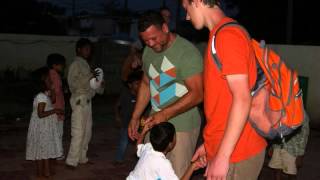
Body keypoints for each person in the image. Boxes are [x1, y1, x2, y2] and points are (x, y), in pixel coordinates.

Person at [181, 0, 267, 179]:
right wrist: (210, 144)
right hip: (226, 146)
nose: (187, 16)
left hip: (237, 152)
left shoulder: (227, 35)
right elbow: (223, 100)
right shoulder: (219, 34)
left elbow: (242, 99)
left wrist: (222, 156)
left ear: (196, 2)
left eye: (186, 8)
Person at [128, 11, 203, 177]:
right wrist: (135, 116)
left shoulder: (187, 53)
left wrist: (165, 113)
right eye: (145, 40)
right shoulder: (148, 51)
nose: (151, 44)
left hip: (182, 127)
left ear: (165, 27)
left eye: (154, 38)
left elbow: (198, 93)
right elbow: (147, 83)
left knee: (176, 174)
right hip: (154, 123)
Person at [65, 38, 104, 169]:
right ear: (78, 49)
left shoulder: (86, 65)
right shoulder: (75, 64)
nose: (88, 51)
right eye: (86, 49)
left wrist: (100, 84)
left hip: (88, 101)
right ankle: (71, 161)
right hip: (79, 101)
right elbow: (73, 84)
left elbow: (92, 86)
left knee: (87, 132)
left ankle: (82, 158)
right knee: (78, 132)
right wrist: (89, 75)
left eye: (89, 49)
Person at [127, 122, 205, 180]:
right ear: (170, 144)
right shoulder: (163, 164)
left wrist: (143, 131)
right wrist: (192, 166)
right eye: (175, 136)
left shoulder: (149, 147)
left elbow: (138, 148)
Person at [26, 67, 63, 178]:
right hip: (42, 128)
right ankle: (42, 172)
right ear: (42, 80)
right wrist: (55, 110)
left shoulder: (44, 94)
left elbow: (53, 101)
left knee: (43, 151)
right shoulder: (41, 96)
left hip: (43, 127)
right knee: (43, 151)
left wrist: (52, 90)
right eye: (48, 78)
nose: (50, 79)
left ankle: (43, 172)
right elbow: (40, 114)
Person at [268, 111, 310, 180]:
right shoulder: (278, 109)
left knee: (291, 173)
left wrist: (300, 155)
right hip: (277, 146)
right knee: (276, 169)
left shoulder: (301, 112)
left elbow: (304, 134)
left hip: (293, 150)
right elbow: (274, 129)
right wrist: (272, 146)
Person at [114, 70, 143, 164]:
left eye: (140, 83)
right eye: (136, 84)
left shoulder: (142, 95)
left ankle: (141, 159)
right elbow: (117, 105)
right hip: (126, 123)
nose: (139, 86)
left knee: (141, 142)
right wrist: (117, 116)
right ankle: (118, 159)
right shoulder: (125, 94)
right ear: (130, 85)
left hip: (139, 124)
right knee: (123, 142)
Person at [47, 53, 66, 160]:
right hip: (57, 108)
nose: (63, 67)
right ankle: (58, 153)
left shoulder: (49, 74)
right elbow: (56, 91)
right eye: (61, 65)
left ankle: (52, 152)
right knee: (58, 132)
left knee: (53, 131)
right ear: (55, 65)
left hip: (52, 108)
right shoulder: (55, 76)